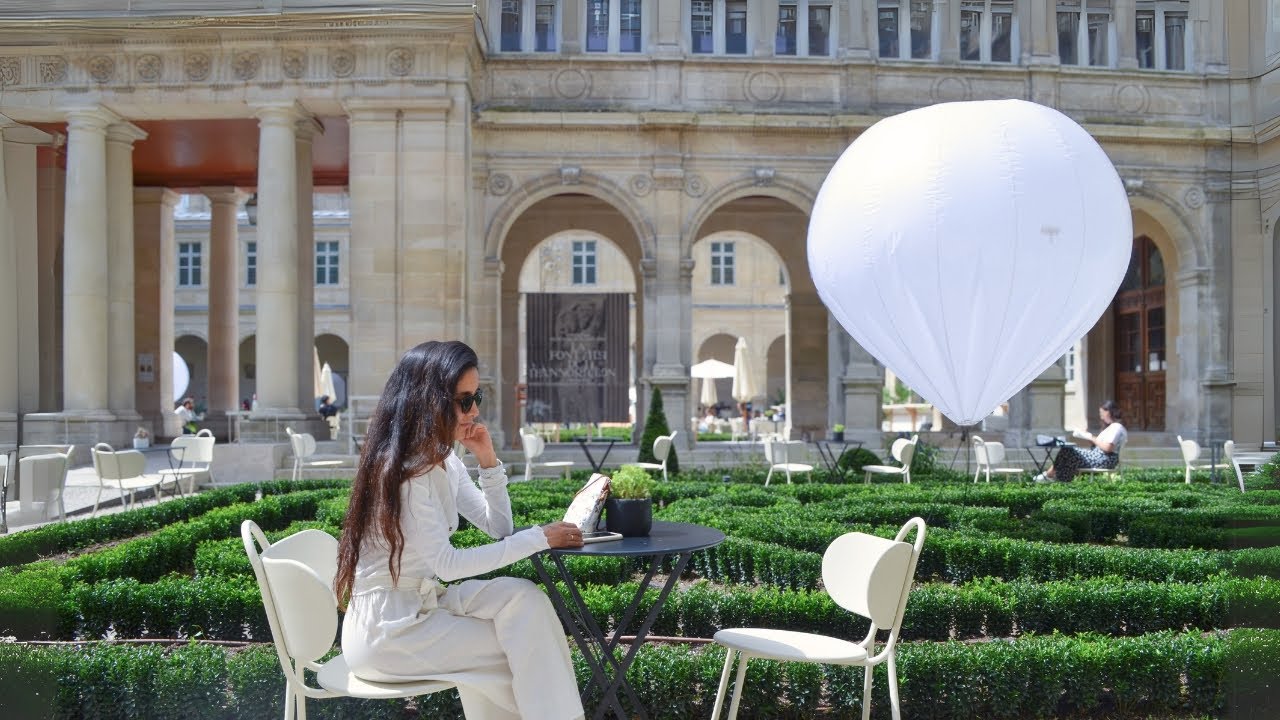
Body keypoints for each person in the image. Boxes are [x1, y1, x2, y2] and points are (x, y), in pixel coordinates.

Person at [334, 340, 586, 720]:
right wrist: (538, 538)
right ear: (428, 402)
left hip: (421, 606)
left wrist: (488, 461)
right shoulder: (406, 471)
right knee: (517, 647)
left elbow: (498, 527)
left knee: (524, 599)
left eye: (476, 396)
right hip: (387, 633)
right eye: (464, 400)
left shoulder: (444, 459)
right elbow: (448, 564)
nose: (475, 410)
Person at [1035, 400, 1128, 482]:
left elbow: (1108, 448)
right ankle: (1057, 478)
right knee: (1067, 451)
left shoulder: (1116, 427)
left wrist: (1092, 438)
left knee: (1068, 451)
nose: (1101, 417)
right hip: (1098, 457)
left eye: (1102, 413)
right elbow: (1100, 445)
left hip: (1104, 460)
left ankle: (1050, 475)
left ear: (1109, 412)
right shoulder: (1111, 428)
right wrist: (1086, 436)